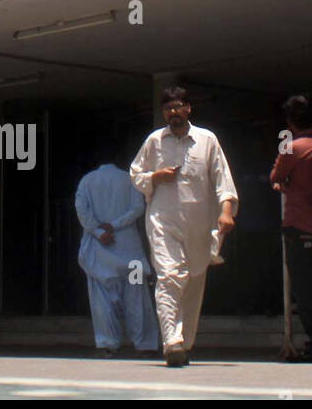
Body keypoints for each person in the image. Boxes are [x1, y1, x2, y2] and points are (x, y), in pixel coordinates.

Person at [131, 86, 238, 367]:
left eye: (178, 107)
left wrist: (226, 212)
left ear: (188, 108)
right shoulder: (154, 141)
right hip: (163, 221)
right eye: (168, 109)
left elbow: (221, 179)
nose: (173, 112)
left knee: (193, 281)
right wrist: (155, 176)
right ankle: (171, 342)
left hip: (200, 225)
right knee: (168, 276)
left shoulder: (206, 140)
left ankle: (184, 342)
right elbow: (136, 174)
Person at [75, 144, 159, 357]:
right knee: (138, 298)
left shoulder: (87, 181)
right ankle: (146, 344)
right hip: (131, 251)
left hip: (99, 252)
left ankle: (107, 344)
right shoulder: (130, 180)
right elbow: (138, 209)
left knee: (102, 299)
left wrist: (97, 230)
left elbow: (82, 211)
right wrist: (115, 224)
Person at [270, 95, 312, 362]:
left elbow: (275, 176)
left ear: (290, 122)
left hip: (298, 224)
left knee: (305, 290)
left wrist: (284, 183)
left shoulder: (292, 147)